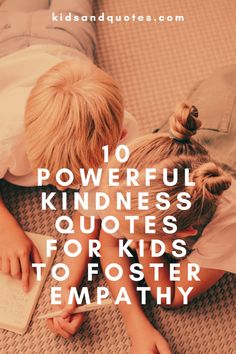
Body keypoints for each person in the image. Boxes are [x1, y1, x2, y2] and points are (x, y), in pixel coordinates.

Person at [0, 0, 138, 337]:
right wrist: (5, 226)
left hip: (68, 38)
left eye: (72, 177)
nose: (62, 187)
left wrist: (66, 287)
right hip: (8, 44)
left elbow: (91, 213)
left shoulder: (124, 137)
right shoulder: (7, 131)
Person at [99, 101, 236, 354]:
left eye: (134, 236)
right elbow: (107, 243)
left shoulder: (229, 227)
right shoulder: (137, 171)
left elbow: (169, 296)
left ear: (184, 232)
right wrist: (135, 323)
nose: (114, 229)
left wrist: (144, 246)